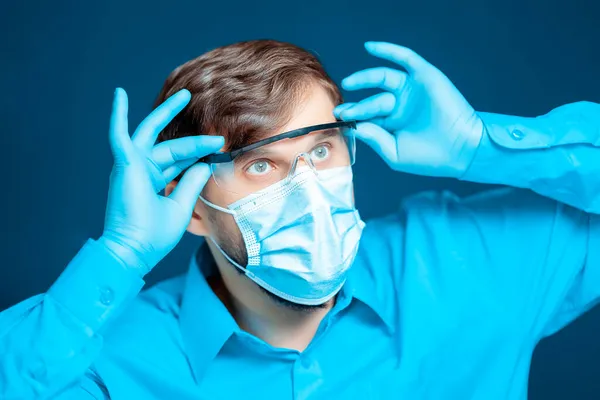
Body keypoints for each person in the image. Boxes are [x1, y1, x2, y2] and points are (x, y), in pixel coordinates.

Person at [1, 39, 598, 400]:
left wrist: (480, 145)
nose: (308, 191)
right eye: (261, 166)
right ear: (192, 207)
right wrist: (121, 252)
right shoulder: (111, 363)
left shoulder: (465, 264)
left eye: (320, 151)